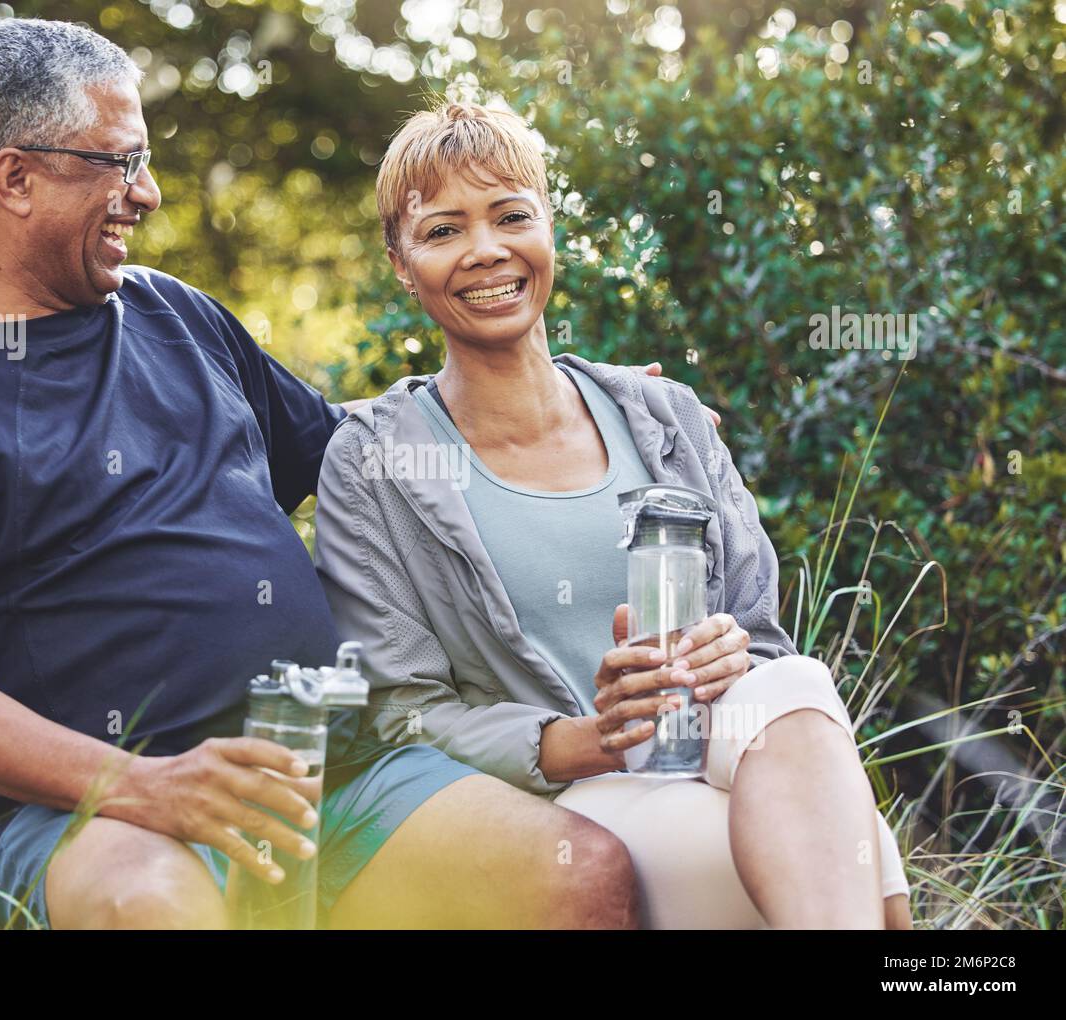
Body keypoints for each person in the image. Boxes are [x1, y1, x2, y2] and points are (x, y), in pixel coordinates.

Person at [0, 20, 647, 929]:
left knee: (577, 875)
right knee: (157, 910)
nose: (150, 193)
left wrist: (577, 402)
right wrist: (151, 786)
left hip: (335, 770)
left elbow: (356, 454)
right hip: (91, 812)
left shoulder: (176, 316)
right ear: (16, 179)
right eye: (119, 163)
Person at [313, 100, 914, 929]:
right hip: (566, 796)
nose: (486, 250)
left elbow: (767, 646)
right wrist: (589, 736)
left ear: (549, 227)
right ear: (400, 263)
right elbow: (401, 713)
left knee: (803, 688)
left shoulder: (663, 414)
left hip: (729, 751)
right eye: (443, 230)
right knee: (848, 849)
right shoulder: (373, 462)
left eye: (512, 216)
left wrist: (727, 650)